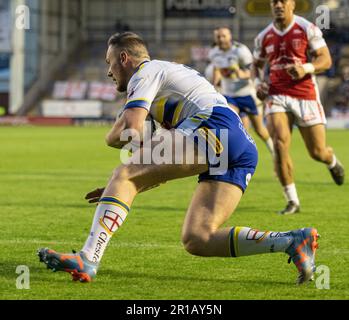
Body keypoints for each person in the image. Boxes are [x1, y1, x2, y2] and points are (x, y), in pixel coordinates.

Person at [38, 32, 319, 285]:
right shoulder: (165, 82)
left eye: (109, 62)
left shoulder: (145, 73)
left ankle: (88, 257)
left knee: (125, 173)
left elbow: (129, 131)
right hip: (238, 145)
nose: (108, 72)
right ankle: (292, 241)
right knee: (198, 238)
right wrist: (123, 186)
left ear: (124, 58)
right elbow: (159, 164)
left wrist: (123, 171)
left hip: (213, 125)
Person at [253, 0, 345, 215]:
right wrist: (258, 84)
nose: (278, 5)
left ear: (292, 5)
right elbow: (255, 66)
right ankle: (292, 201)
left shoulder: (306, 28)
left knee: (317, 152)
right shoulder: (263, 36)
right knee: (280, 144)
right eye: (274, 1)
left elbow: (326, 59)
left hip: (305, 95)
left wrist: (305, 68)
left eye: (283, 1)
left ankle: (331, 160)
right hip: (276, 95)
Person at [209, 27, 274, 156]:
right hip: (229, 96)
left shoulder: (241, 51)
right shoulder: (213, 53)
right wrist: (215, 83)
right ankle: (234, 156)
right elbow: (217, 68)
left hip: (246, 94)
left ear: (230, 36)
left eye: (224, 36)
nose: (221, 39)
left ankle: (274, 153)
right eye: (218, 37)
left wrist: (240, 73)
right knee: (230, 124)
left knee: (260, 130)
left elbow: (254, 71)